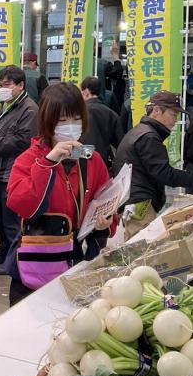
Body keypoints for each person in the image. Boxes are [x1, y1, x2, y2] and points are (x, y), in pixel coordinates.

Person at [7, 83, 115, 305]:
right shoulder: (29, 159)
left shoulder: (90, 159)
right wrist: (48, 162)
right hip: (37, 264)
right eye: (62, 120)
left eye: (76, 119)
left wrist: (106, 222)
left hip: (79, 261)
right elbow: (23, 206)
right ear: (47, 122)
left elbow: (106, 200)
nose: (70, 127)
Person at [0, 66, 38, 275]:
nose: (2, 89)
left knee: (12, 222)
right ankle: (3, 251)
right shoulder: (1, 108)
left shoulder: (29, 110)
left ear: (20, 85)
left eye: (7, 85)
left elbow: (24, 141)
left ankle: (13, 261)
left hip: (14, 174)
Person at [114, 91, 193, 239]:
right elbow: (164, 173)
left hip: (133, 201)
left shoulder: (139, 132)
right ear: (157, 110)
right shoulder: (149, 137)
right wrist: (192, 179)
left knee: (134, 248)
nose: (175, 120)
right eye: (173, 114)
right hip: (141, 203)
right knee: (141, 254)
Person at [80, 76, 119, 170]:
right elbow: (120, 142)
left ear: (86, 92)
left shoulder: (77, 112)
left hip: (80, 159)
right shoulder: (111, 114)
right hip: (103, 161)